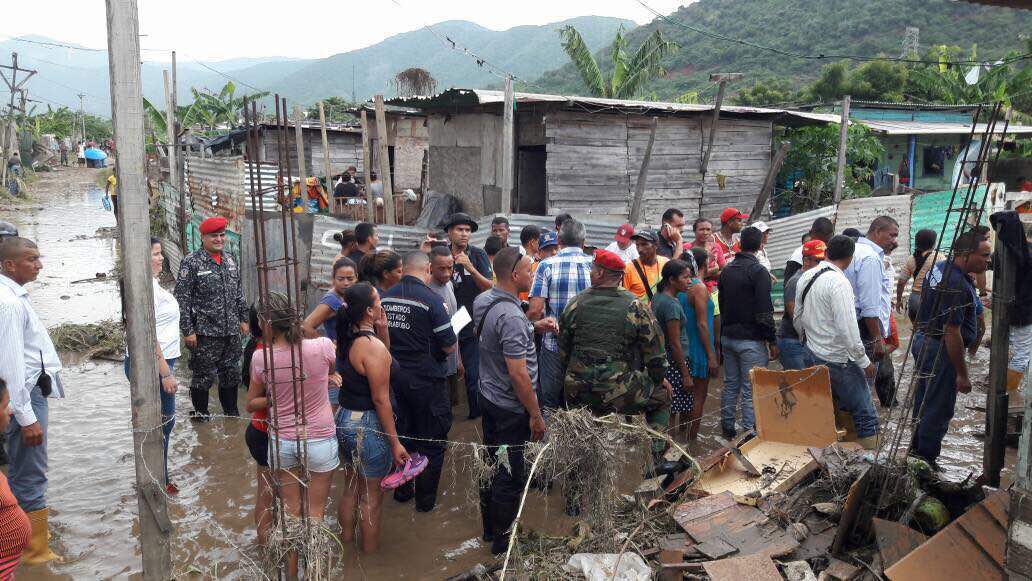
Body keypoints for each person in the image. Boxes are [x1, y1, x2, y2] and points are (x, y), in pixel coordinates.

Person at [246, 292, 338, 575]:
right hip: (320, 438)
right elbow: (331, 373)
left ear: (265, 323)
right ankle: (315, 573)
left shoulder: (262, 357)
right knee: (315, 515)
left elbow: (251, 404)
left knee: (290, 515)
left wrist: (277, 396)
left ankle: (290, 575)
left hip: (283, 441)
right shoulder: (323, 346)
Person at [558, 249, 669, 461]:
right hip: (618, 390)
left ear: (600, 274)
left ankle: (579, 474)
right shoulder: (635, 305)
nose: (590, 272)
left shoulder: (575, 303)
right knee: (662, 397)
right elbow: (656, 356)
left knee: (582, 433)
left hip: (577, 390)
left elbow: (563, 352)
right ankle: (656, 461)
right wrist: (658, 379)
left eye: (593, 269)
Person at [474, 247, 547, 554]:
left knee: (492, 462)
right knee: (510, 474)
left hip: (488, 396)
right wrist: (535, 414)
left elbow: (497, 338)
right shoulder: (512, 316)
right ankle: (503, 546)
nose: (533, 275)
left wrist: (532, 326)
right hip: (511, 407)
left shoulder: (484, 301)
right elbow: (519, 375)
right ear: (515, 275)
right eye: (531, 270)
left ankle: (489, 531)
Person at [0, 237, 63, 564]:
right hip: (24, 398)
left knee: (18, 469)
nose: (39, 265)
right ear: (10, 265)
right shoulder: (8, 303)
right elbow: (11, 366)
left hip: (23, 396)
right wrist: (27, 417)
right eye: (31, 259)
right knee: (31, 472)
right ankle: (35, 556)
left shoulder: (12, 296)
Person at [335, 283, 409, 553]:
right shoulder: (370, 347)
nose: (382, 305)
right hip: (367, 426)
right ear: (368, 310)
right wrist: (395, 443)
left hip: (344, 419)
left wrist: (383, 330)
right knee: (371, 498)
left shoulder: (347, 340)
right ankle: (369, 560)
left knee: (351, 486)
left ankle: (345, 544)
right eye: (378, 301)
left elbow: (385, 361)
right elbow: (381, 398)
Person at [383, 252, 458, 511]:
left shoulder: (384, 297)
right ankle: (425, 505)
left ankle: (402, 493)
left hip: (392, 381)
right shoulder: (431, 300)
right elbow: (449, 346)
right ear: (427, 269)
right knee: (433, 444)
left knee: (403, 437)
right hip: (426, 383)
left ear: (404, 268)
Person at [910, 230, 991, 465]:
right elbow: (952, 333)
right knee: (939, 408)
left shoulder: (940, 268)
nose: (988, 260)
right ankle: (926, 462)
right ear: (966, 254)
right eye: (984, 255)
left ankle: (917, 453)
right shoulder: (955, 284)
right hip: (939, 349)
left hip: (924, 340)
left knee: (924, 400)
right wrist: (962, 375)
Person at [793, 235, 880, 449]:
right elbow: (848, 330)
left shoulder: (807, 276)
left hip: (813, 353)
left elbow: (798, 317)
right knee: (865, 413)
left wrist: (809, 341)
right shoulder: (840, 283)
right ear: (850, 258)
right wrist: (864, 362)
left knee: (824, 409)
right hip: (839, 359)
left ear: (827, 252)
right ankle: (871, 462)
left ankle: (827, 453)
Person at [173, 216, 249, 420]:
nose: (220, 239)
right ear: (203, 237)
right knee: (202, 376)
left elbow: (238, 292)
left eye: (222, 235)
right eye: (214, 236)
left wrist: (244, 318)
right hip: (205, 332)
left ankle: (231, 416)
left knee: (231, 373)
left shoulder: (230, 259)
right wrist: (188, 331)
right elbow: (182, 299)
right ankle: (201, 416)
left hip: (231, 330)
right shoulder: (191, 262)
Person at [124, 238, 181, 495]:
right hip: (153, 365)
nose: (161, 259)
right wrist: (165, 372)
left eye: (160, 254)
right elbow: (148, 333)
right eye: (155, 254)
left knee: (162, 425)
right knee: (160, 425)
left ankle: (158, 477)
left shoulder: (152, 285)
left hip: (158, 362)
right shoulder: (143, 288)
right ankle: (155, 482)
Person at [718, 226, 777, 439]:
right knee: (751, 387)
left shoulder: (727, 270)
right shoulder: (759, 271)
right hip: (751, 340)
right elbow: (764, 311)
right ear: (761, 246)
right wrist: (772, 341)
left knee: (731, 384)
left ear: (740, 245)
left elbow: (722, 305)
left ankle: (727, 429)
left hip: (728, 337)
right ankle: (750, 434)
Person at [528, 219, 590, 412]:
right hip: (587, 346)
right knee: (583, 405)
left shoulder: (546, 266)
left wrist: (532, 324)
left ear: (559, 240)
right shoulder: (595, 265)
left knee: (550, 404)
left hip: (554, 344)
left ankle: (550, 440)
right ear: (583, 241)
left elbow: (536, 310)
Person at [843, 216, 899, 402]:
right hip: (865, 328)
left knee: (852, 384)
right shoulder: (870, 257)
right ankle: (864, 427)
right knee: (863, 387)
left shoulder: (856, 251)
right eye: (892, 235)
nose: (895, 241)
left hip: (851, 323)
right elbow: (869, 306)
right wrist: (877, 338)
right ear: (877, 231)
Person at [446, 213, 493, 420]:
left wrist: (470, 268)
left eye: (467, 230)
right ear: (449, 232)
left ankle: (475, 418)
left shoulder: (477, 255)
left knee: (473, 375)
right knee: (447, 373)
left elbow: (489, 287)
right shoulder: (442, 254)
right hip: (446, 321)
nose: (464, 234)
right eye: (460, 229)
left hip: (471, 320)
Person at [241, 307, 273, 546]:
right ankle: (265, 548)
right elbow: (250, 404)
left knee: (271, 493)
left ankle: (269, 549)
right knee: (268, 493)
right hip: (264, 432)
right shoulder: (262, 354)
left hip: (261, 431)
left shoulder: (260, 349)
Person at [653, 259, 694, 440]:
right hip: (675, 364)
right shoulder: (671, 305)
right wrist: (685, 374)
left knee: (666, 410)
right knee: (674, 412)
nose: (689, 281)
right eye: (685, 277)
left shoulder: (658, 297)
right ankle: (675, 452)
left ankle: (666, 452)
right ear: (672, 279)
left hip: (664, 362)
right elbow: (675, 343)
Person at [778, 240, 824, 370]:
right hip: (793, 342)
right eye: (819, 261)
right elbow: (795, 316)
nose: (823, 265)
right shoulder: (796, 281)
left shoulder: (815, 278)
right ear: (806, 260)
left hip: (804, 342)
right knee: (799, 386)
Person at [428, 246, 465, 405]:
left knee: (451, 403)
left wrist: (458, 359)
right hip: (437, 363)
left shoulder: (449, 285)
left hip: (451, 361)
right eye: (441, 269)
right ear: (430, 267)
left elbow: (455, 323)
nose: (446, 273)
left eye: (450, 268)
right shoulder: (427, 290)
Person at [896, 229, 942, 323]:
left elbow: (901, 282)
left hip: (914, 299)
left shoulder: (911, 259)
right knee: (932, 333)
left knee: (918, 331)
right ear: (932, 243)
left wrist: (899, 300)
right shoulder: (939, 257)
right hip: (930, 299)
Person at [623, 230, 668, 301]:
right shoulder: (628, 269)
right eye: (637, 245)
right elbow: (624, 299)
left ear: (656, 245)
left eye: (644, 244)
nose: (640, 249)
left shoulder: (665, 263)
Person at [684, 218, 726, 293]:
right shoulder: (687, 248)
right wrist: (710, 272)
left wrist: (708, 274)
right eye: (701, 229)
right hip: (693, 289)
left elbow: (724, 271)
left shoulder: (716, 247)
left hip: (715, 289)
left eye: (708, 229)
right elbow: (685, 274)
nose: (705, 232)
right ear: (694, 231)